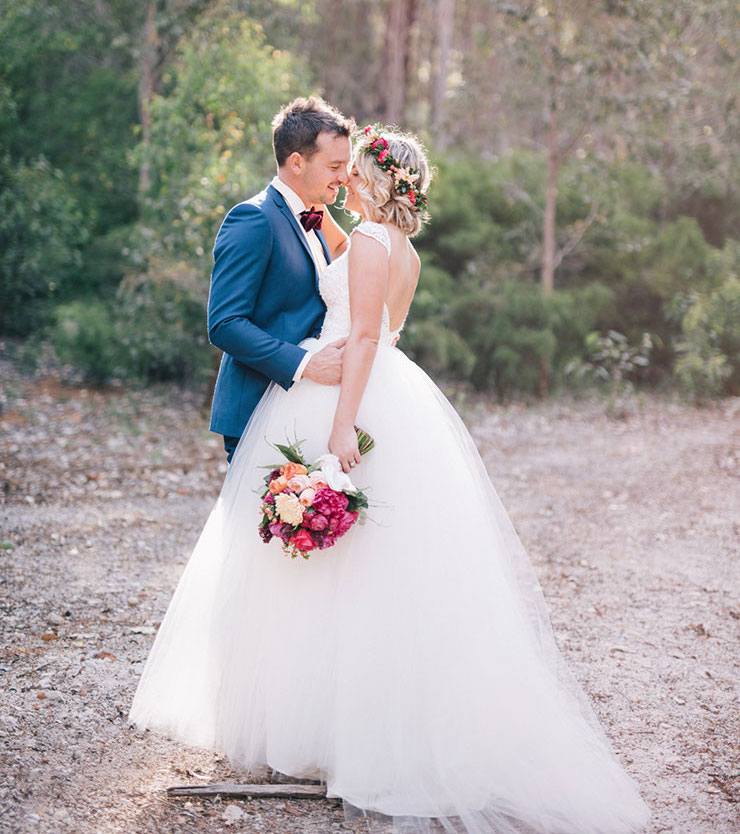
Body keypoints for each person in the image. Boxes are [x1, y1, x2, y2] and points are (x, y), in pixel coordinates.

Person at [128, 118, 651, 834]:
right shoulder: (373, 240)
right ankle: (316, 722)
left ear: (374, 178)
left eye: (353, 166)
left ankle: (321, 731)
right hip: (356, 392)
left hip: (348, 399)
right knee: (337, 568)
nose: (342, 175)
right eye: (334, 163)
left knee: (324, 570)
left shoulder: (367, 239)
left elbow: (364, 329)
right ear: (299, 161)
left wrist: (341, 423)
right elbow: (254, 314)